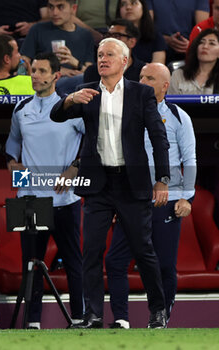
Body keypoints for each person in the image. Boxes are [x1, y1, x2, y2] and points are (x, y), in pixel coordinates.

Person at [51, 37, 170, 329]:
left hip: (132, 183)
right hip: (98, 184)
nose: (102, 59)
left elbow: (158, 138)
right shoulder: (85, 92)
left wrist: (163, 179)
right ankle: (93, 315)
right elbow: (56, 116)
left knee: (143, 250)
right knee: (91, 251)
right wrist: (68, 100)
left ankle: (158, 311)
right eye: (100, 55)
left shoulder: (141, 94)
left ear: (124, 61)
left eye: (109, 55)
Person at [105, 62, 196, 329]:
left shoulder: (179, 116)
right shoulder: (122, 113)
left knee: (164, 264)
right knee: (115, 260)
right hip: (130, 199)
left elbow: (189, 158)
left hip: (165, 201)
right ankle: (121, 319)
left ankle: (161, 318)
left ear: (165, 86)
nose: (142, 81)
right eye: (141, 76)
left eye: (150, 77)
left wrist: (186, 198)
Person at [5, 52, 85, 329]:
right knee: (31, 264)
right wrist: (12, 164)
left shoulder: (72, 108)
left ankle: (79, 318)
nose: (34, 76)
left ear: (56, 76)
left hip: (65, 198)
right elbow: (12, 146)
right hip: (29, 199)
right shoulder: (21, 109)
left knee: (74, 261)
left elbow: (91, 144)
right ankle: (33, 322)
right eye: (32, 71)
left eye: (41, 71)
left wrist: (75, 168)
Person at [20, 0, 95, 93]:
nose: (54, 12)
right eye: (51, 7)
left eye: (60, 7)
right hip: (47, 83)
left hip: (78, 85)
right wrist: (53, 71)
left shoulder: (85, 35)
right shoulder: (37, 29)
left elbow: (91, 74)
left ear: (73, 9)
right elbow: (23, 63)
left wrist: (75, 63)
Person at [81, 18, 145, 84]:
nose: (110, 39)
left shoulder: (143, 71)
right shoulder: (93, 71)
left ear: (132, 42)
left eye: (117, 36)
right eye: (108, 35)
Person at [168, 28, 219, 94]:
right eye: (201, 42)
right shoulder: (178, 75)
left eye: (212, 43)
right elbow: (171, 103)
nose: (205, 46)